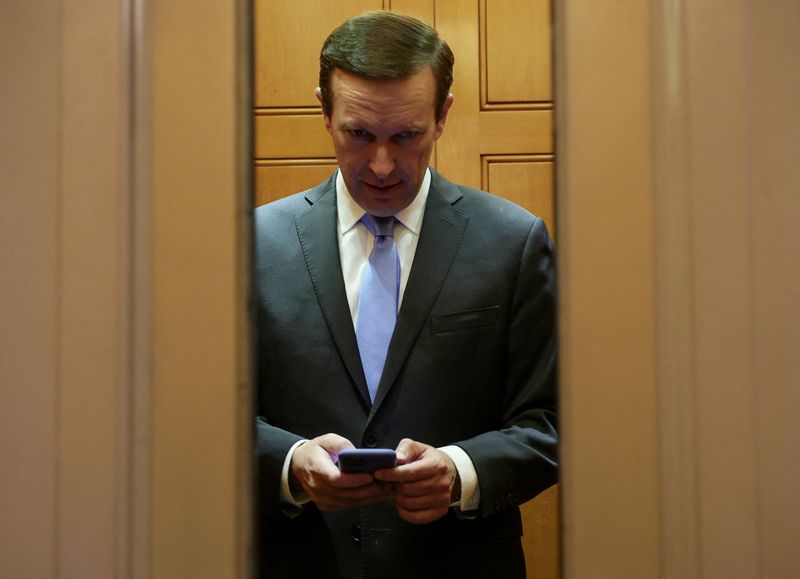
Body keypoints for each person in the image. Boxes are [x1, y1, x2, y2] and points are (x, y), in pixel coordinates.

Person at [255, 11, 557, 578]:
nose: (382, 165)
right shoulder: (251, 246)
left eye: (407, 135)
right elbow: (206, 419)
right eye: (359, 133)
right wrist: (291, 464)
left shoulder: (514, 242)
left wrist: (462, 471)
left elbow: (552, 419)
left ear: (443, 115)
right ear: (324, 110)